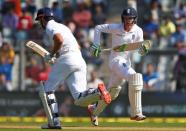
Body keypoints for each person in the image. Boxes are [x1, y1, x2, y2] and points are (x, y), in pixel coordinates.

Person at [35, 7, 111, 129]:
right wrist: (57, 55)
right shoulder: (64, 27)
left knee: (46, 90)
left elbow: (59, 40)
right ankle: (98, 92)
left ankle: (54, 123)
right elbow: (73, 46)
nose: (40, 23)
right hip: (79, 59)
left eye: (40, 20)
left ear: (43, 18)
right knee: (79, 98)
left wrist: (53, 54)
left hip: (67, 59)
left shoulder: (50, 26)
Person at [89, 7, 148, 126]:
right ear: (123, 19)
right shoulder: (116, 27)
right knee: (135, 77)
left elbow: (138, 49)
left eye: (130, 19)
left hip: (125, 63)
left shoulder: (138, 31)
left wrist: (143, 50)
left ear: (134, 20)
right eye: (126, 19)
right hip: (115, 61)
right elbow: (98, 28)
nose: (128, 22)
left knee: (111, 94)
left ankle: (94, 110)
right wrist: (96, 44)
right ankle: (136, 113)